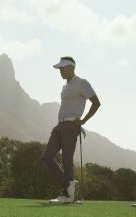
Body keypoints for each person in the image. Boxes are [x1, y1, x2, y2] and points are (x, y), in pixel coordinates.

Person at [42, 57, 101, 204]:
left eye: (62, 68)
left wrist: (83, 120)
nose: (60, 71)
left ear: (70, 67)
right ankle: (69, 186)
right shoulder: (65, 86)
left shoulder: (81, 83)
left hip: (71, 126)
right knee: (47, 157)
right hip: (59, 125)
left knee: (67, 160)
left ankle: (68, 195)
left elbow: (96, 102)